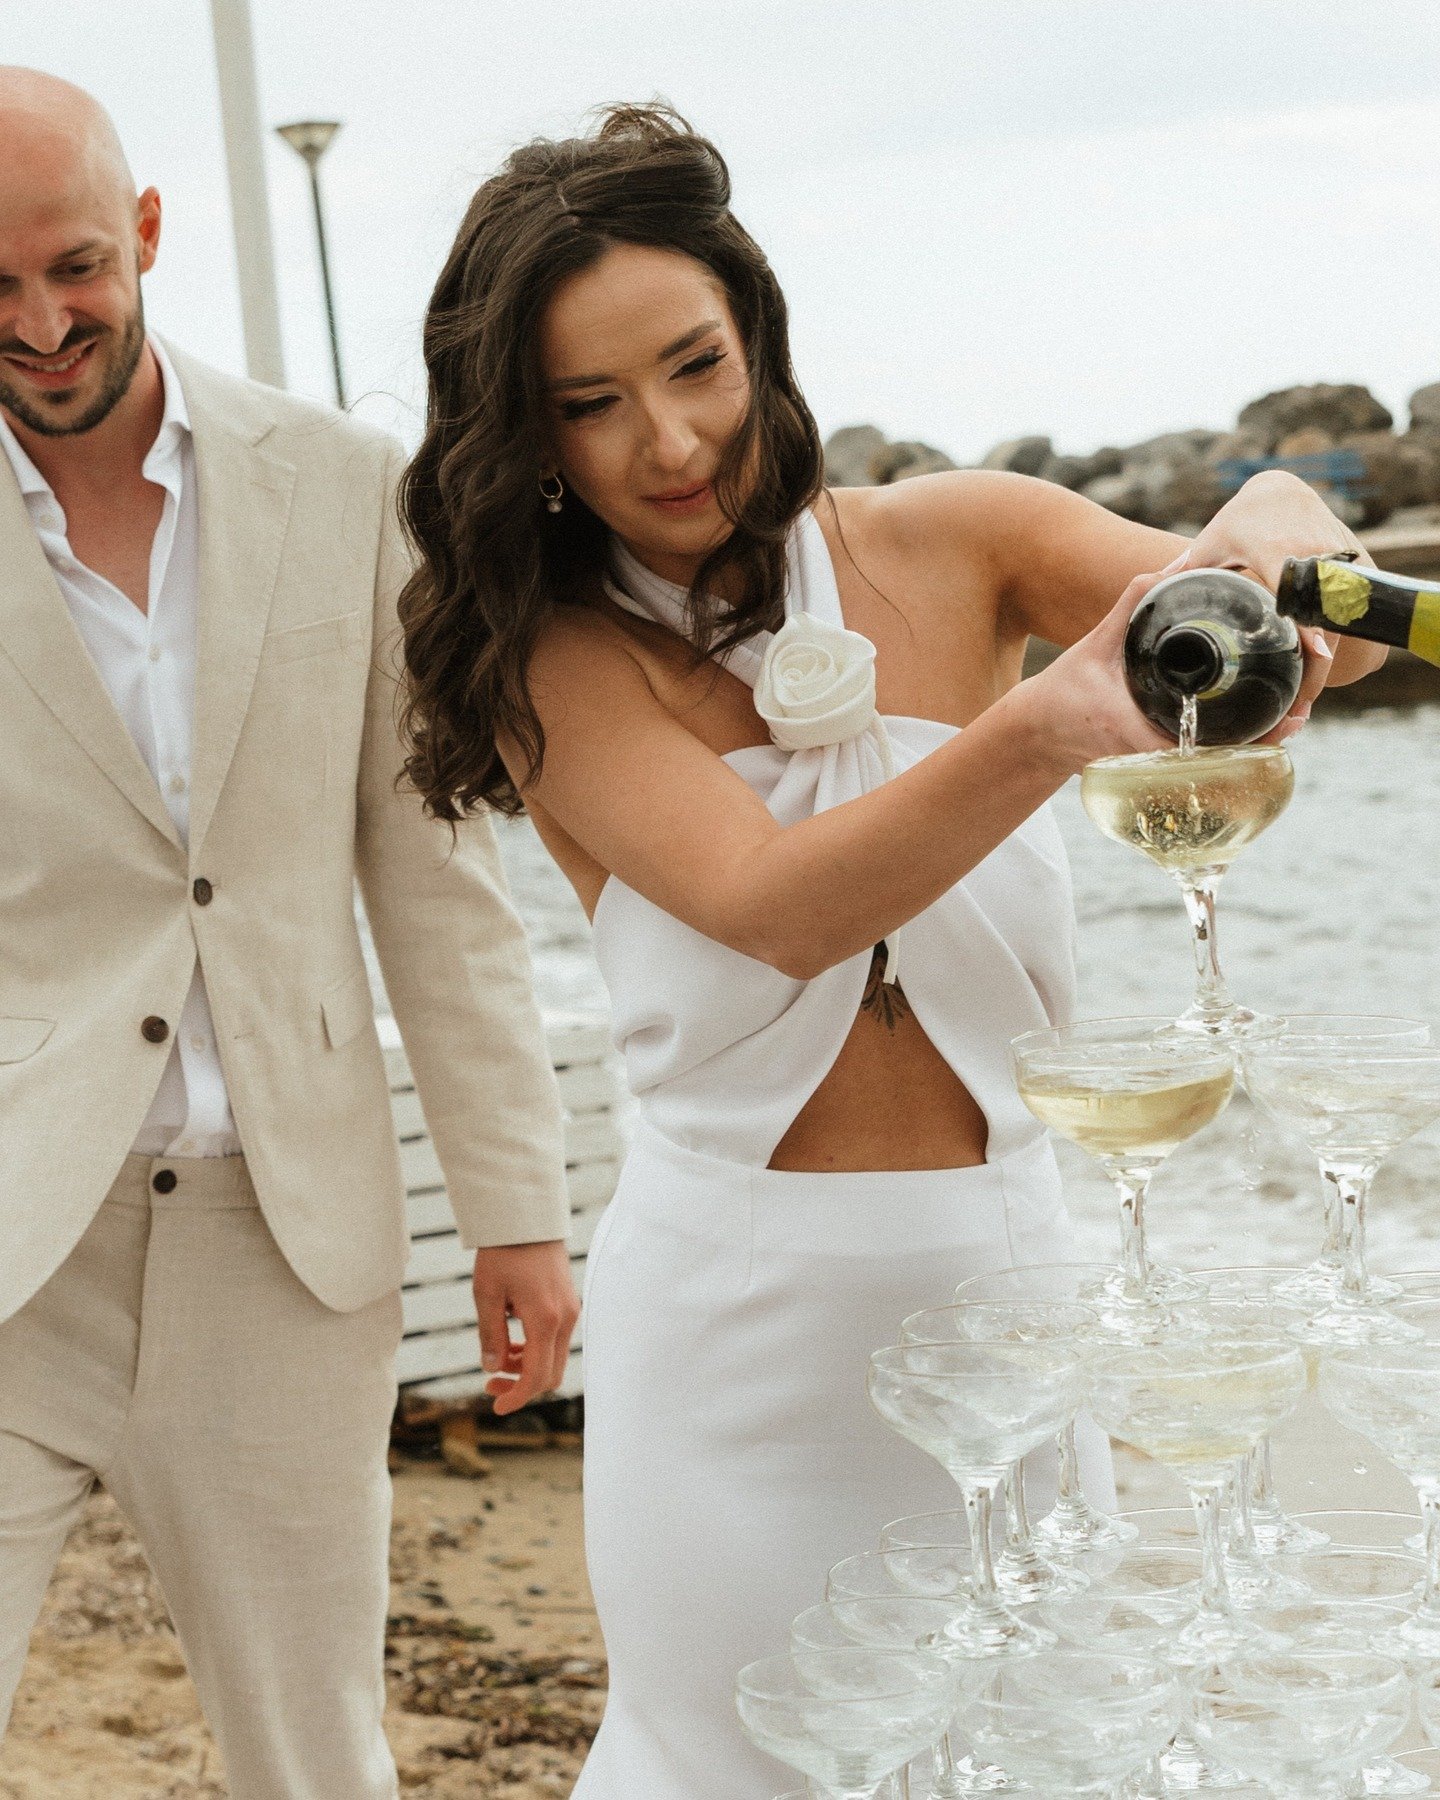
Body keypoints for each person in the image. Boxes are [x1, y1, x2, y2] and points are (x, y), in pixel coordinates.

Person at [395, 105, 1383, 1798]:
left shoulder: (963, 538)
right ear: (531, 437)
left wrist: (1288, 522)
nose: (669, 440)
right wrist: (1047, 725)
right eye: (591, 403)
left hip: (1012, 1304)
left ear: (758, 337)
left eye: (696, 365)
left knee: (1044, 1757)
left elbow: (1275, 644)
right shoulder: (553, 661)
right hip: (738, 1353)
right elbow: (781, 906)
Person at [0, 68, 580, 1798]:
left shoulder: (342, 486)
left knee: (312, 1760)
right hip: (18, 1238)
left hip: (285, 1243)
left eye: (76, 268)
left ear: (146, 230)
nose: (41, 325)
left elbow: (438, 883)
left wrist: (517, 1214)